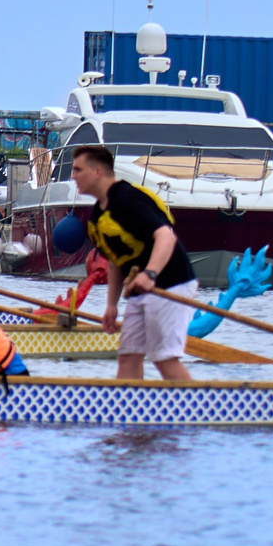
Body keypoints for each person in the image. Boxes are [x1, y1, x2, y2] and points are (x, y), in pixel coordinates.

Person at [68, 143, 198, 382]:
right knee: (128, 355)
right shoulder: (98, 213)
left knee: (163, 356)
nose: (73, 176)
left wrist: (150, 274)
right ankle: (127, 413)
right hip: (139, 289)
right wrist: (111, 304)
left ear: (98, 171)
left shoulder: (127, 199)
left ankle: (199, 412)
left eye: (78, 170)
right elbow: (116, 260)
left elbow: (166, 236)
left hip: (170, 283)